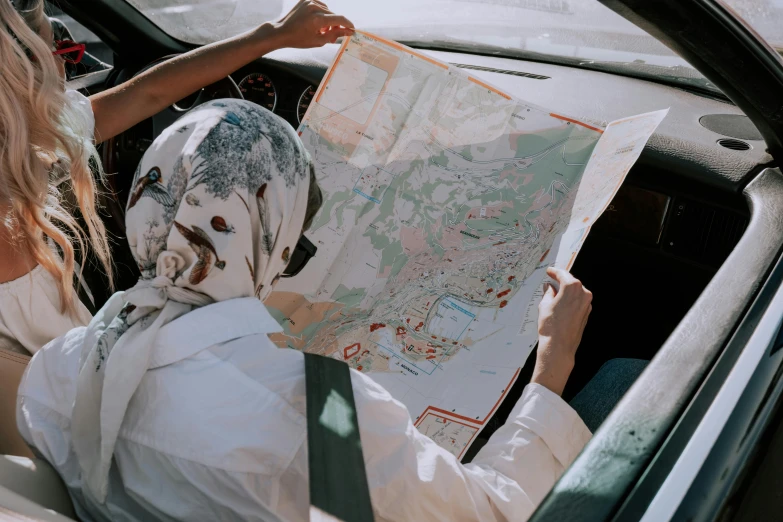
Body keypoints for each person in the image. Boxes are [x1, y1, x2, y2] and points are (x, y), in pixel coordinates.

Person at [16, 99, 608, 522]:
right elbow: (495, 510)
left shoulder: (57, 371)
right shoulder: (318, 412)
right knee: (628, 379)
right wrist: (551, 371)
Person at [0, 0, 354, 355]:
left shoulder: (33, 135)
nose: (68, 62)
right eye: (63, 49)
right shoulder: (9, 239)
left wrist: (273, 36)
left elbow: (146, 93)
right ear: (19, 71)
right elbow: (73, 381)